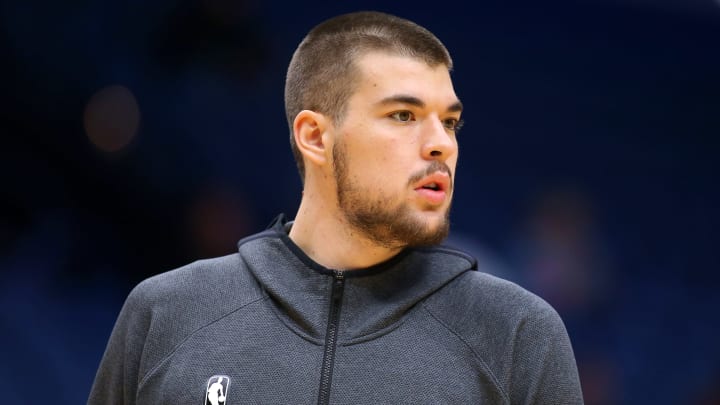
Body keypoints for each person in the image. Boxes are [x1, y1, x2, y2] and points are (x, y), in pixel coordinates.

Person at [88, 11, 583, 404]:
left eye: (449, 122)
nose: (440, 145)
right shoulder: (163, 312)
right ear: (315, 137)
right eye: (403, 115)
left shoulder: (519, 334)